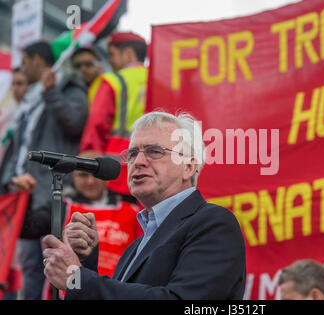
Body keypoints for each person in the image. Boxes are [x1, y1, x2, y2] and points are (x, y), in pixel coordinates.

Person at [42, 111, 247, 300]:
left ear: (188, 167)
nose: (138, 161)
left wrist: (76, 278)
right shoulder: (134, 248)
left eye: (154, 151)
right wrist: (84, 262)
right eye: (132, 154)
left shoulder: (214, 223)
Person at [0, 41, 88, 299]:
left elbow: (74, 123)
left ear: (38, 61)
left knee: (57, 268)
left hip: (54, 196)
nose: (23, 69)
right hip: (25, 197)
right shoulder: (30, 100)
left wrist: (52, 93)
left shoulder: (68, 89)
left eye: (25, 62)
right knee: (30, 268)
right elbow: (18, 149)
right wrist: (10, 182)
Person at [79, 32, 149, 196]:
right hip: (154, 173)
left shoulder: (112, 81)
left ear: (128, 53)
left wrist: (87, 168)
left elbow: (96, 126)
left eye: (112, 54)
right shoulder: (159, 80)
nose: (109, 60)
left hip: (117, 174)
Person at [0, 68, 28, 163]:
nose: (15, 89)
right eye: (13, 84)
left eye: (19, 83)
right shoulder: (6, 108)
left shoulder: (31, 113)